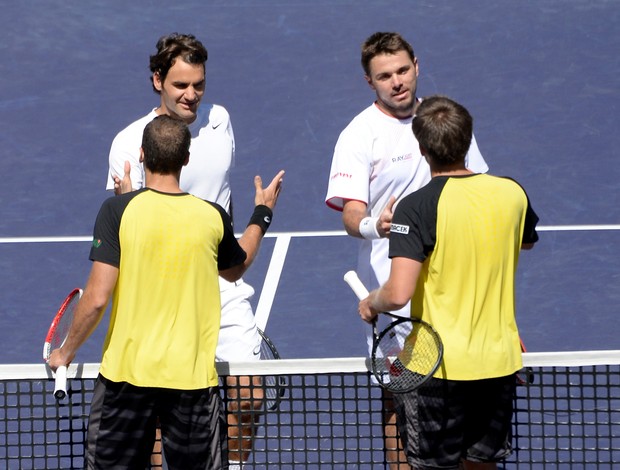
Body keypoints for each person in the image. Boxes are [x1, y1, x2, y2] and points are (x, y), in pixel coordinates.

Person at [48, 115, 284, 469]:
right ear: (186, 159)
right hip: (191, 384)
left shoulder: (117, 211)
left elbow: (97, 298)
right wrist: (262, 213)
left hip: (125, 383)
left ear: (142, 155)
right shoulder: (212, 216)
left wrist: (65, 352)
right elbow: (237, 266)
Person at [325, 32, 489, 468]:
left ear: (417, 65)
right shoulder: (358, 135)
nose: (397, 82)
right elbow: (350, 216)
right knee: (401, 405)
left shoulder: (443, 121)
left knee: (469, 401)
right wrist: (372, 224)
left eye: (402, 71)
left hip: (458, 289)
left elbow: (477, 187)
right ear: (370, 82)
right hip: (395, 294)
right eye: (384, 76)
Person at [107, 33, 263, 469]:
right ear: (157, 80)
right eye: (180, 85)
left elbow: (222, 197)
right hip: (162, 294)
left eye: (198, 84)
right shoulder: (128, 143)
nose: (191, 95)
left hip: (219, 283)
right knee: (162, 410)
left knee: (250, 395)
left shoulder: (220, 121)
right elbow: (126, 227)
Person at [358, 95, 539, 469]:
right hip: (498, 361)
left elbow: (398, 293)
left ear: (423, 149)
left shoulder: (417, 207)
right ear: (468, 141)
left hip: (440, 368)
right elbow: (526, 240)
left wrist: (371, 302)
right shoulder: (513, 194)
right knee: (482, 464)